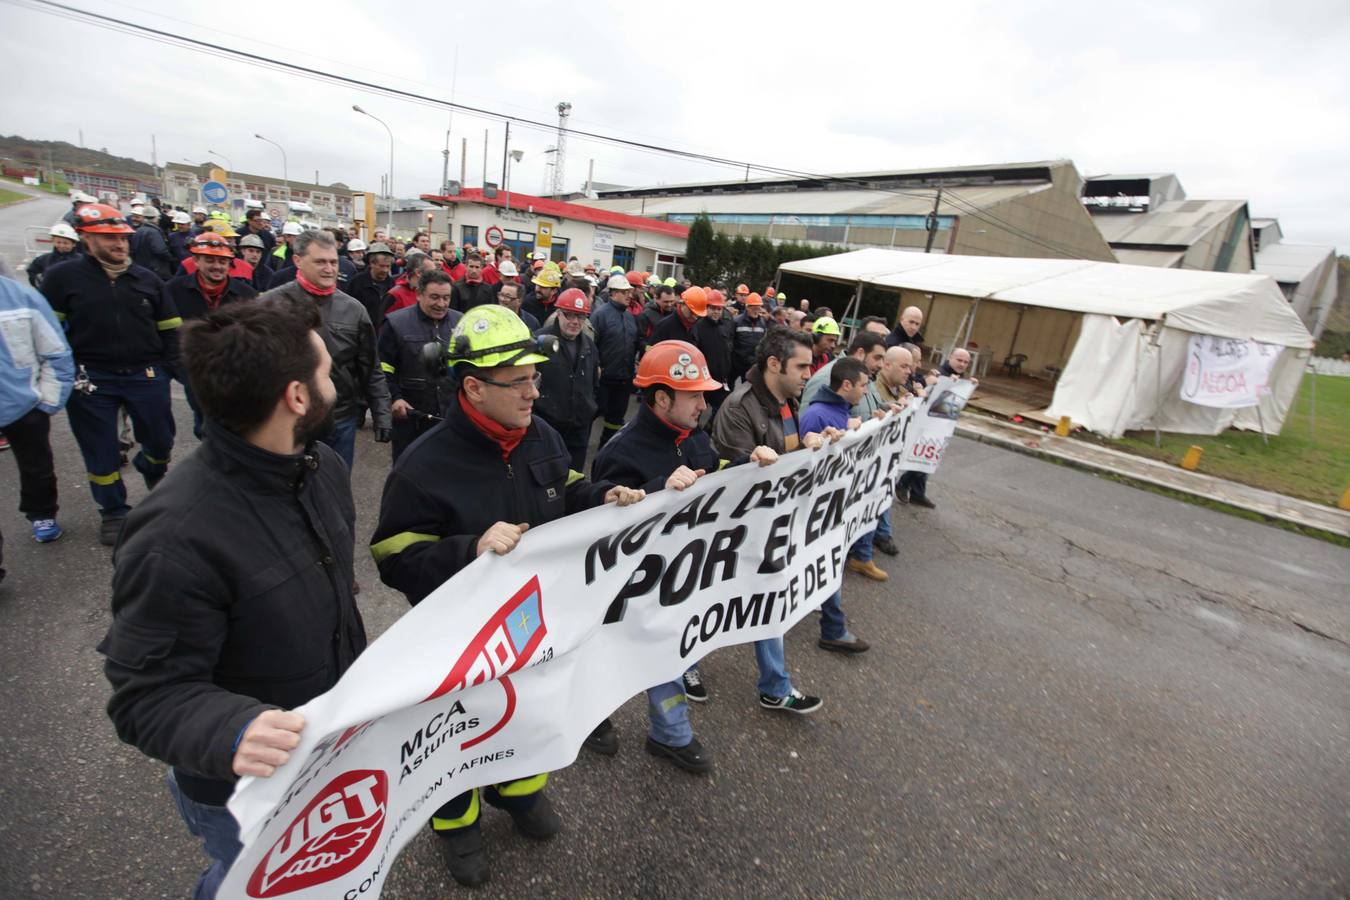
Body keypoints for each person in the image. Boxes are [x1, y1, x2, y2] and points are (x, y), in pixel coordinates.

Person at [99, 296, 365, 900]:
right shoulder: (173, 536)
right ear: (296, 398)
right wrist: (231, 729)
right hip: (239, 791)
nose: (335, 382)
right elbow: (145, 696)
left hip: (321, 757)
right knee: (244, 885)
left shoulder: (320, 466)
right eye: (325, 373)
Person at [370, 304, 645, 888]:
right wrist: (469, 549)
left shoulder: (539, 432)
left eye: (535, 377)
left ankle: (518, 791)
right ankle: (457, 824)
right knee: (458, 735)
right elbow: (393, 555)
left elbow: (564, 486)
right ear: (473, 386)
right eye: (518, 381)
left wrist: (602, 495)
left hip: (534, 626)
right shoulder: (423, 464)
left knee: (532, 713)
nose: (532, 391)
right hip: (461, 642)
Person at [593, 340, 779, 773]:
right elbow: (599, 526)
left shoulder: (693, 440)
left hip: (677, 580)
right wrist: (658, 488)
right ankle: (591, 716)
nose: (704, 402)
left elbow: (714, 481)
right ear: (661, 398)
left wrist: (747, 464)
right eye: (694, 394)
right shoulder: (621, 451)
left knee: (669, 654)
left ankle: (670, 735)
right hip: (631, 590)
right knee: (608, 657)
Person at [40, 203, 182, 546]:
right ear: (86, 238)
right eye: (109, 238)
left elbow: (170, 329)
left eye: (122, 238)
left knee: (160, 440)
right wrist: (63, 373)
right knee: (100, 450)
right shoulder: (63, 279)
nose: (119, 244)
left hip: (145, 375)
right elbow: (48, 333)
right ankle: (114, 510)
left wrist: (168, 369)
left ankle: (151, 467)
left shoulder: (148, 281)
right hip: (91, 379)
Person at [709, 326, 827, 713]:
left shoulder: (787, 399)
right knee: (710, 601)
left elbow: (786, 454)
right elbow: (732, 478)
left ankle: (775, 686)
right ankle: (684, 666)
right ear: (774, 364)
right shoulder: (739, 407)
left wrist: (813, 446)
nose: (809, 374)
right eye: (802, 366)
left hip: (774, 527)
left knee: (768, 600)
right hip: (736, 531)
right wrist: (755, 462)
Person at [260, 229, 391, 469]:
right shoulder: (269, 304)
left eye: (333, 262)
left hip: (339, 420)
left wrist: (382, 413)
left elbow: (370, 368)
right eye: (320, 262)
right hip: (287, 420)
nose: (329, 269)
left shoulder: (354, 310)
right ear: (297, 261)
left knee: (333, 487)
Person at [799, 356, 889, 595]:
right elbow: (803, 466)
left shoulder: (842, 413)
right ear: (847, 385)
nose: (867, 390)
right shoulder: (817, 416)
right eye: (863, 385)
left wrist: (873, 427)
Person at [0, 274, 73, 560]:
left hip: (24, 406)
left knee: (36, 467)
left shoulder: (22, 298)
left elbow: (56, 352)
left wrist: (47, 403)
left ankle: (42, 512)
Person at [167, 232, 258, 439]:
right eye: (210, 260)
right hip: (194, 373)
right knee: (205, 424)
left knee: (235, 424)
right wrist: (179, 369)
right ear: (196, 261)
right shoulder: (174, 291)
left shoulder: (245, 294)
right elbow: (168, 335)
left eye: (222, 261)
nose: (217, 266)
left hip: (234, 373)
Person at [378, 269, 461, 461]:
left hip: (450, 418)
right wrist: (394, 398)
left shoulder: (462, 323)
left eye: (446, 298)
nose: (441, 304)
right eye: (434, 297)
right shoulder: (396, 323)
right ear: (418, 294)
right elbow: (383, 368)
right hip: (411, 418)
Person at [533, 288, 598, 471]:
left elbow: (593, 383)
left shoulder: (589, 346)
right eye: (569, 315)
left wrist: (589, 409)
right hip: (548, 427)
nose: (575, 322)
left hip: (578, 429)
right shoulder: (539, 341)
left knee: (574, 479)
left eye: (580, 316)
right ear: (558, 314)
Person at [591, 273, 638, 449]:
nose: (629, 295)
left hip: (624, 378)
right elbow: (591, 344)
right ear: (613, 293)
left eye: (629, 292)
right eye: (624, 292)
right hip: (604, 378)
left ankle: (607, 446)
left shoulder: (629, 317)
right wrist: (596, 367)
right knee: (595, 412)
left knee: (616, 417)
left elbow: (633, 343)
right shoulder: (600, 315)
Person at [801, 331, 887, 408]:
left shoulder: (867, 375)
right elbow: (810, 418)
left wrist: (888, 409)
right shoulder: (827, 376)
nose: (881, 365)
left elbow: (868, 409)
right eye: (877, 358)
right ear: (860, 353)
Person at [692, 288, 732, 416]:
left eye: (719, 309)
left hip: (720, 380)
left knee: (720, 412)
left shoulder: (725, 326)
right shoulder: (698, 326)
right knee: (696, 411)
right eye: (713, 308)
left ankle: (709, 431)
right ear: (706, 308)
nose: (716, 312)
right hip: (703, 380)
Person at [347, 241, 395, 331]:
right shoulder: (357, 282)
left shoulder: (392, 285)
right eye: (381, 266)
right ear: (371, 263)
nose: (385, 270)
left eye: (388, 266)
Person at [26, 223, 82, 289]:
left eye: (66, 243)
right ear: (53, 241)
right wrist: (40, 283)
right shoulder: (43, 259)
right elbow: (32, 271)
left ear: (74, 244)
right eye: (58, 242)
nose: (61, 245)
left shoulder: (81, 261)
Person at [730, 291, 768, 383]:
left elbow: (763, 343)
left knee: (746, 389)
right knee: (729, 387)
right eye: (754, 308)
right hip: (736, 362)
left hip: (751, 364)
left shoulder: (762, 323)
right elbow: (730, 341)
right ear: (747, 307)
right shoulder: (736, 321)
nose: (756, 311)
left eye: (758, 308)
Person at [130, 205, 174, 279]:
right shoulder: (154, 232)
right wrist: (170, 258)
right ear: (155, 218)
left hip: (141, 267)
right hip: (155, 270)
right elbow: (160, 250)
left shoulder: (138, 231)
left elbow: (133, 250)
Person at [384, 251, 432, 315]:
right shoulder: (395, 295)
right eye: (431, 272)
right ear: (418, 273)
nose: (435, 275)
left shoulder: (429, 291)